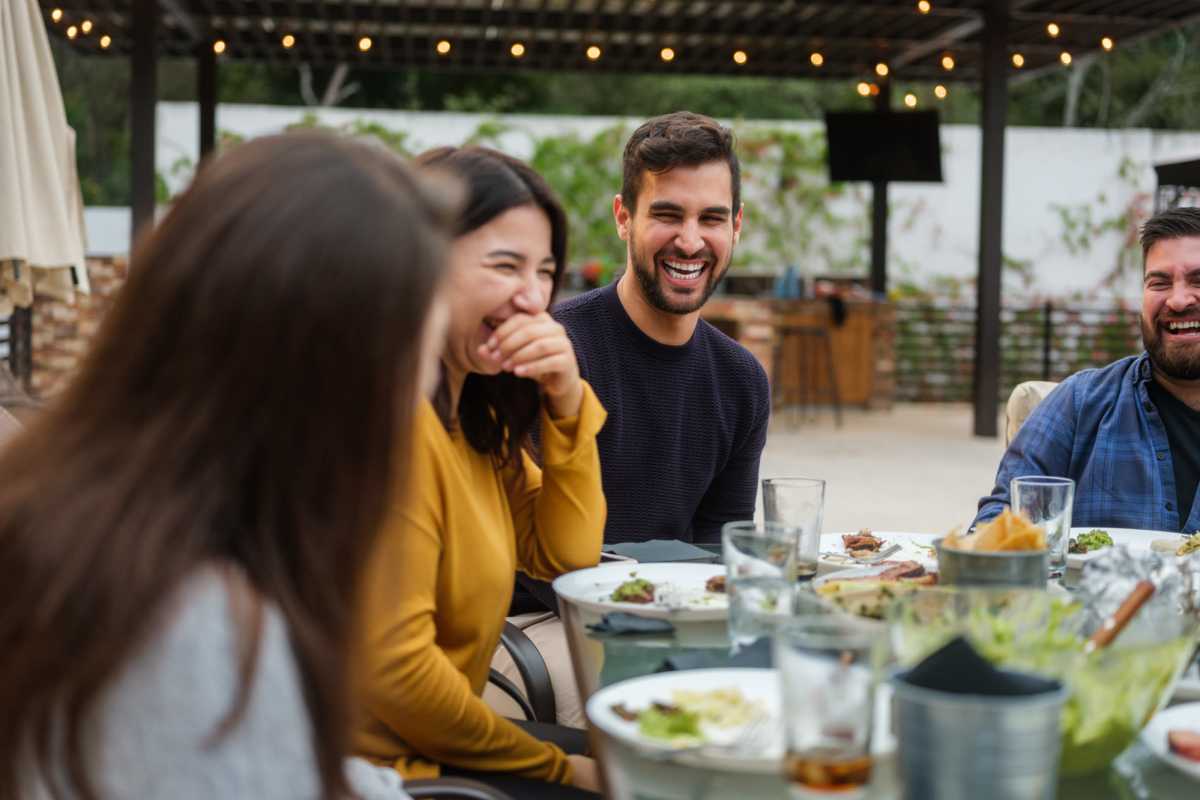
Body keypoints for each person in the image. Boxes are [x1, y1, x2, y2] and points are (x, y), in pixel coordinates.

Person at [0, 132, 454, 799]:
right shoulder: (201, 635)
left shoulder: (75, 512)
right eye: (420, 359)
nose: (425, 393)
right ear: (335, 387)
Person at [354, 146, 605, 798]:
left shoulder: (474, 418)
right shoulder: (400, 423)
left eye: (546, 271)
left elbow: (565, 555)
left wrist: (568, 401)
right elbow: (401, 674)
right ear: (423, 264)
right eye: (505, 265)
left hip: (443, 748)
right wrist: (555, 765)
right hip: (388, 775)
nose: (533, 297)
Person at [551, 110, 771, 545]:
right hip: (547, 610)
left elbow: (720, 548)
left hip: (679, 607)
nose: (690, 242)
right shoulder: (560, 351)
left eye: (711, 218)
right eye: (668, 215)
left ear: (736, 226)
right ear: (623, 217)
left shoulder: (742, 381)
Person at [976, 207, 1200, 532]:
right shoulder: (1080, 402)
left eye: (1198, 279)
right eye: (1159, 283)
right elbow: (1001, 519)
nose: (1178, 300)